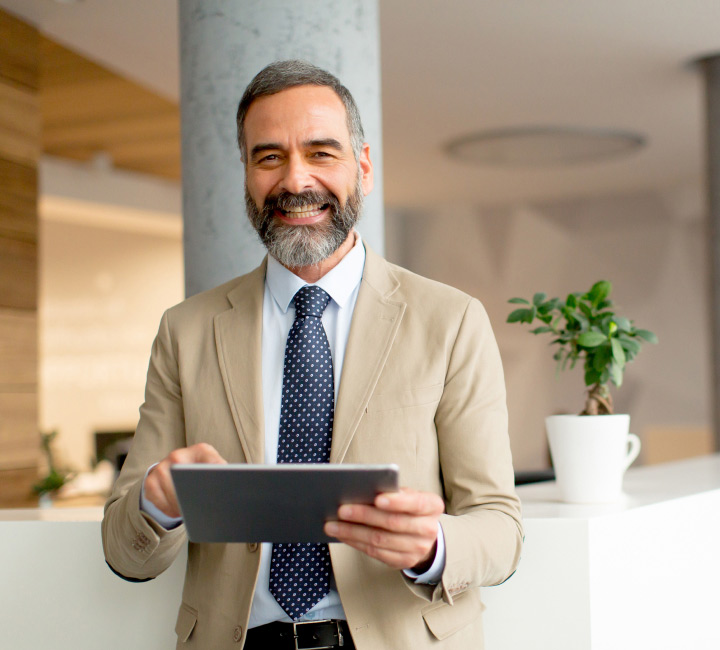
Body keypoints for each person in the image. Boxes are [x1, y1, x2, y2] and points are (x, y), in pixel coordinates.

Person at [102, 60, 522, 650]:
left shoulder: (450, 321)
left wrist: (434, 546)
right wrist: (157, 501)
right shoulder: (185, 331)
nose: (295, 180)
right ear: (246, 173)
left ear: (364, 167)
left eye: (321, 152)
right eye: (269, 156)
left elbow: (502, 529)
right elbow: (125, 552)